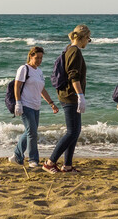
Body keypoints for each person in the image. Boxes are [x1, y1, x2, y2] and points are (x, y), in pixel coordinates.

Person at [43, 24, 91, 174]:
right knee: (72, 131)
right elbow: (73, 76)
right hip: (70, 95)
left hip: (68, 94)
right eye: (88, 39)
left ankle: (67, 166)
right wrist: (80, 95)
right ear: (82, 38)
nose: (88, 42)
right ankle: (50, 162)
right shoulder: (74, 51)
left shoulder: (69, 49)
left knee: (75, 132)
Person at [8, 46, 59, 168]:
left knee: (31, 131)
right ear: (31, 56)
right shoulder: (24, 69)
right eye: (37, 58)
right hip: (25, 104)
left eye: (41, 58)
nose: (39, 60)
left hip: (36, 106)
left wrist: (51, 103)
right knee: (32, 133)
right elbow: (17, 86)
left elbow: (42, 89)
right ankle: (33, 160)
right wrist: (18, 103)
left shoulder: (39, 71)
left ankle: (17, 155)